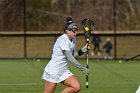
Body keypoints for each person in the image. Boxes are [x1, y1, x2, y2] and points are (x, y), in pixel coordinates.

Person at [42, 19, 89, 93]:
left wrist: (83, 50)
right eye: (73, 30)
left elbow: (72, 55)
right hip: (53, 71)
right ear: (67, 31)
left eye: (77, 30)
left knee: (76, 87)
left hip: (63, 71)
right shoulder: (63, 39)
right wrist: (82, 68)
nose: (76, 32)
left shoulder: (73, 39)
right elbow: (69, 57)